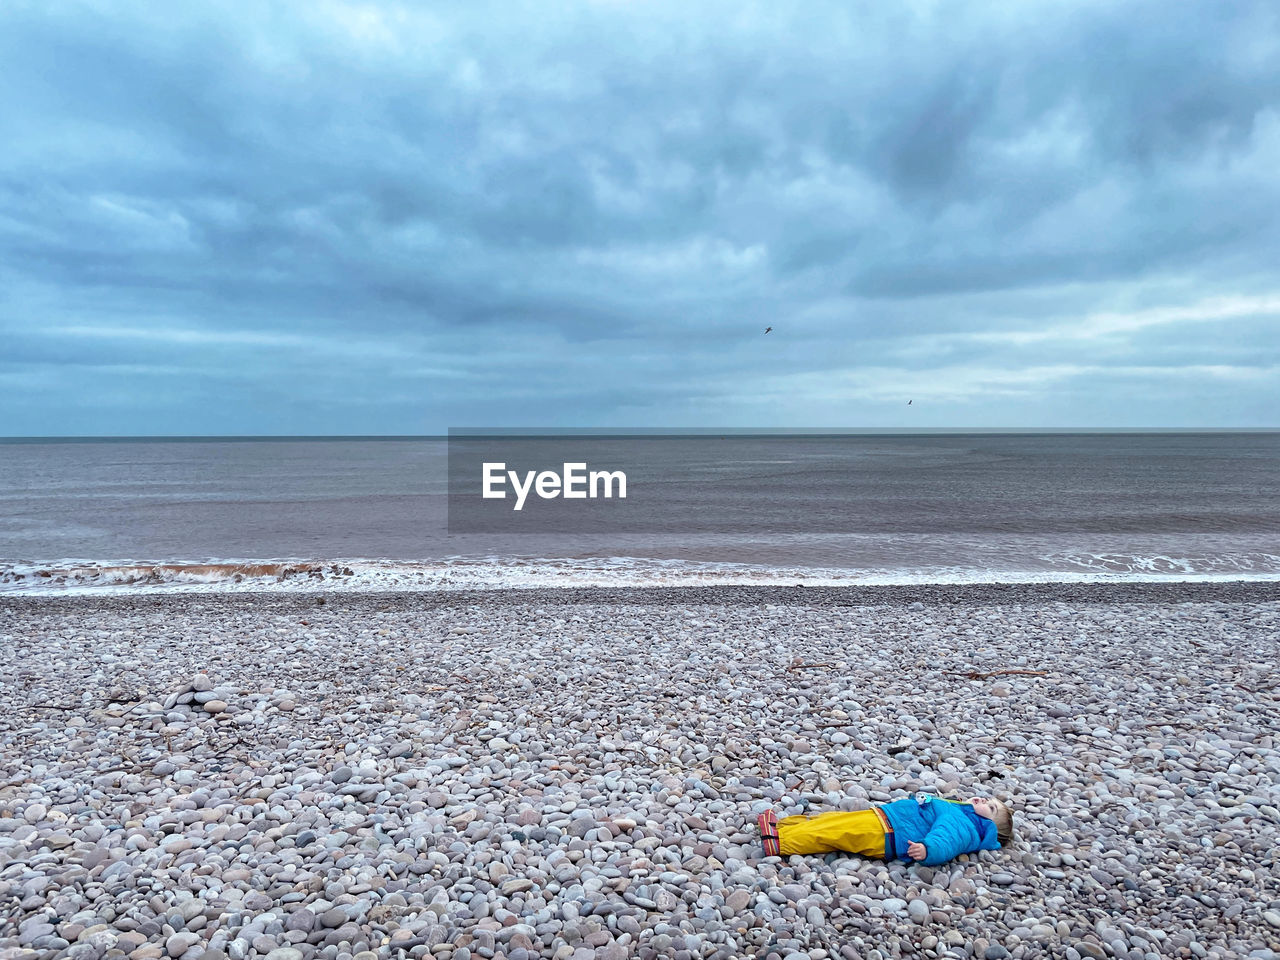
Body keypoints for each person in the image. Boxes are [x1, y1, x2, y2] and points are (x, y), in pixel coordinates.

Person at [757, 793, 1014, 864]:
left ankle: (781, 843)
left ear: (990, 825)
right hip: (885, 819)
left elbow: (946, 837)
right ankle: (782, 827)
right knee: (833, 820)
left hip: (889, 833)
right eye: (987, 798)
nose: (982, 800)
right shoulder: (962, 810)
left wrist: (928, 849)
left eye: (990, 808)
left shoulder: (965, 824)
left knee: (835, 833)